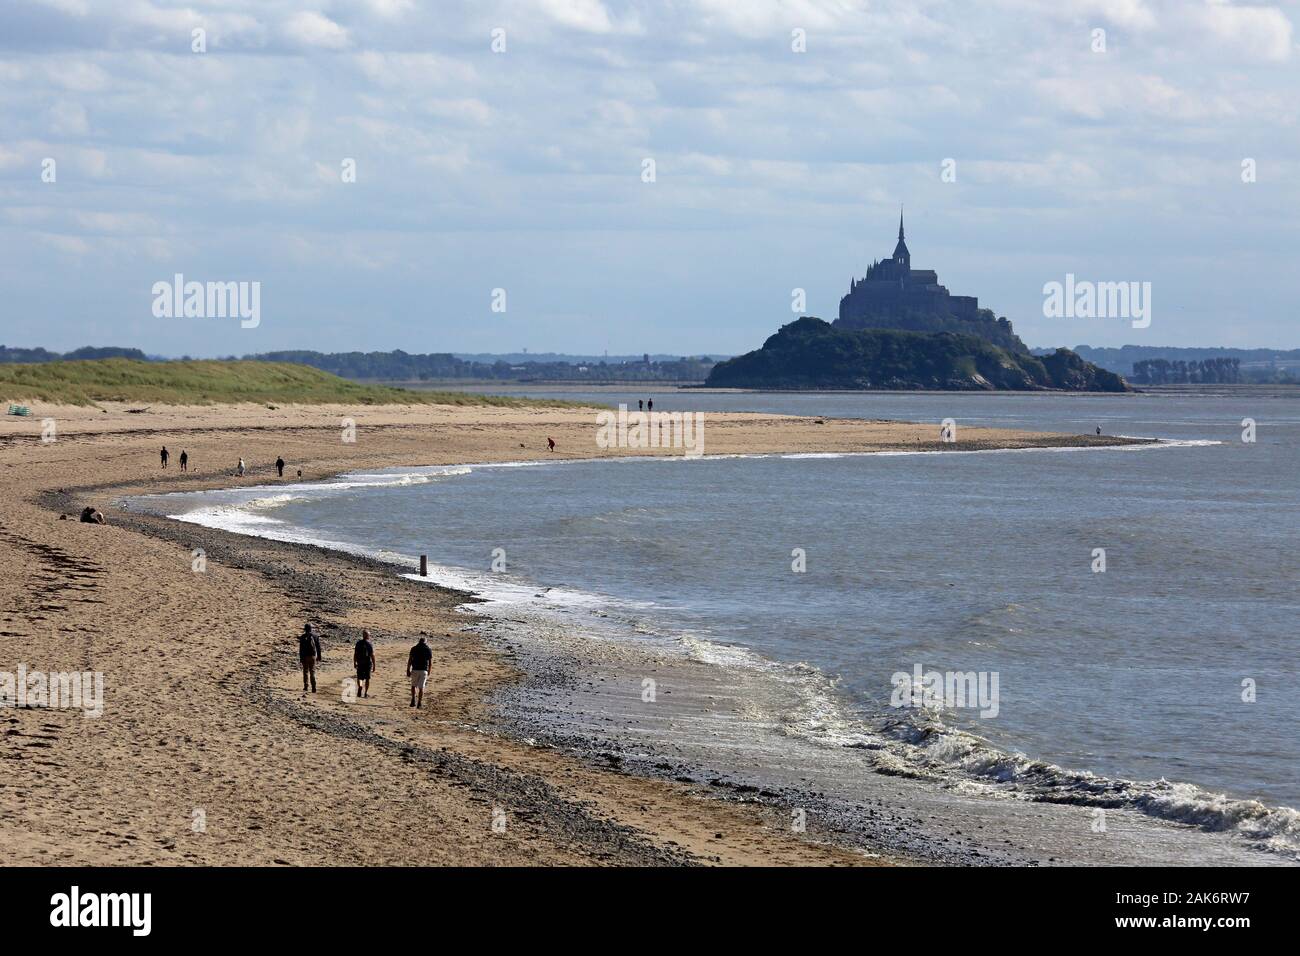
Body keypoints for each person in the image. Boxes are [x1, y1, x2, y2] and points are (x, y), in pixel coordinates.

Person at [406, 636, 433, 708]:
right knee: (421, 687)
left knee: (413, 685)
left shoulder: (414, 648)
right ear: (425, 642)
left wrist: (408, 669)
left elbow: (410, 660)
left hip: (415, 669)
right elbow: (430, 662)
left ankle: (413, 699)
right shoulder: (428, 649)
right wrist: (429, 670)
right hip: (423, 670)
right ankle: (419, 703)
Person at [298, 624, 322, 694]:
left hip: (305, 656)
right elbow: (318, 647)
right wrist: (319, 656)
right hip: (313, 656)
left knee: (305, 671)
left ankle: (306, 686)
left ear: (305, 629)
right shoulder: (315, 636)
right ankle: (313, 687)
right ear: (311, 629)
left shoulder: (302, 637)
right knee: (312, 671)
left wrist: (301, 658)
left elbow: (301, 649)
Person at [354, 630, 376, 699]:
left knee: (360, 677)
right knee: (367, 678)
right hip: (367, 663)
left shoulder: (358, 643)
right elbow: (372, 655)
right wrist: (374, 664)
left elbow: (355, 654)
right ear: (368, 636)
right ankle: (366, 693)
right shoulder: (369, 644)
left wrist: (354, 662)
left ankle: (360, 687)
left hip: (360, 662)